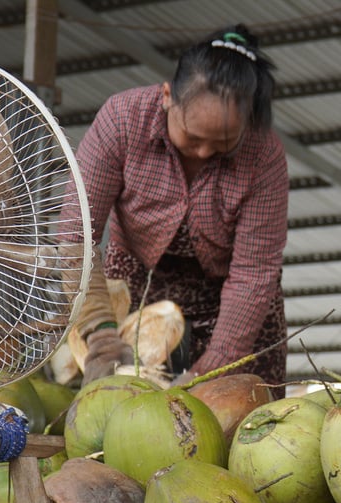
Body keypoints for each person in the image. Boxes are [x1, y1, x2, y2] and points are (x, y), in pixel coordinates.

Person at [70, 25, 289, 393]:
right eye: (192, 138)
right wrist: (102, 334)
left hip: (233, 306)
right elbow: (76, 233)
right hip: (140, 289)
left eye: (222, 145)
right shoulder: (123, 121)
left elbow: (253, 273)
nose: (204, 154)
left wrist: (211, 371)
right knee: (129, 412)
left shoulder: (264, 156)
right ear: (168, 96)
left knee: (235, 419)